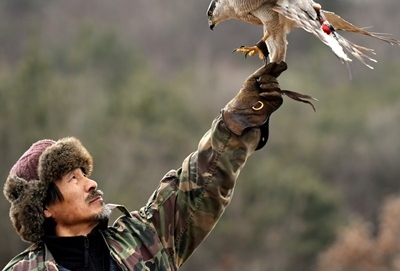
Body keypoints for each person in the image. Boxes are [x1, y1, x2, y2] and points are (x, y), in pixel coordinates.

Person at [3, 61, 287, 271]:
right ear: (44, 206)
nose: (91, 183)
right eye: (72, 179)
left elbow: (201, 182)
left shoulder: (147, 237)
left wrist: (236, 122)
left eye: (85, 174)